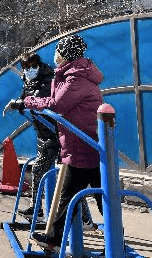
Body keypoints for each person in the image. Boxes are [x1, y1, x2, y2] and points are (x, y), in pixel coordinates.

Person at [23, 35, 104, 252]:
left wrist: (29, 102)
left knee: (72, 196)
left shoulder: (76, 78)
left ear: (66, 53)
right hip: (81, 143)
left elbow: (57, 104)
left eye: (58, 50)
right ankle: (57, 239)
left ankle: (55, 240)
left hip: (82, 144)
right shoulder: (71, 74)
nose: (55, 54)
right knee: (87, 196)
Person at [6, 53, 95, 228]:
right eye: (26, 67)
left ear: (39, 66)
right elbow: (26, 99)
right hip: (44, 135)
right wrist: (20, 104)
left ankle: (82, 218)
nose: (30, 70)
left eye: (33, 66)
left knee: (65, 178)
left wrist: (20, 103)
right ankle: (40, 211)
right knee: (58, 176)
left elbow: (42, 101)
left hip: (56, 136)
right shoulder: (29, 82)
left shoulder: (48, 81)